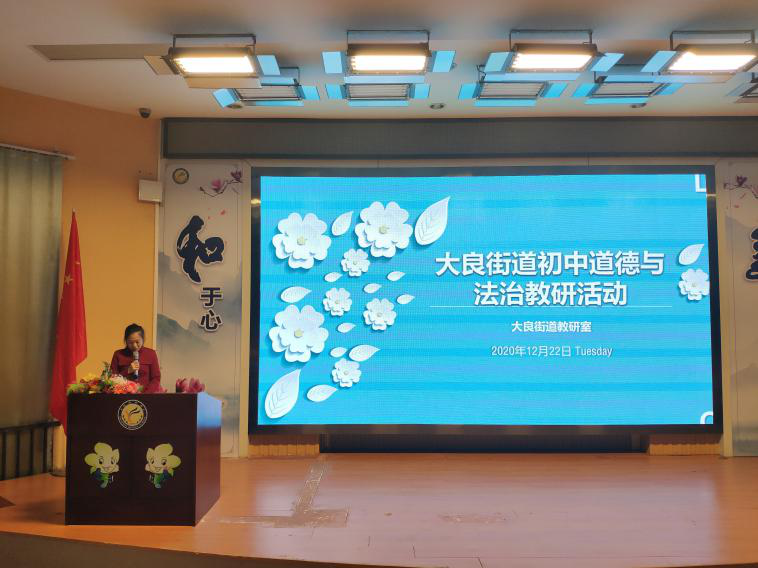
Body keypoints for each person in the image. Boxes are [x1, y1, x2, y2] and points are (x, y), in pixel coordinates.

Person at [110, 323, 163, 393]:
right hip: (124, 395)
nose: (134, 345)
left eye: (137, 342)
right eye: (131, 342)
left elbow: (156, 378)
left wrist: (146, 394)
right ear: (126, 341)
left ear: (143, 339)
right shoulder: (118, 354)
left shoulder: (151, 354)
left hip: (146, 395)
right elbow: (112, 379)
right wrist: (127, 371)